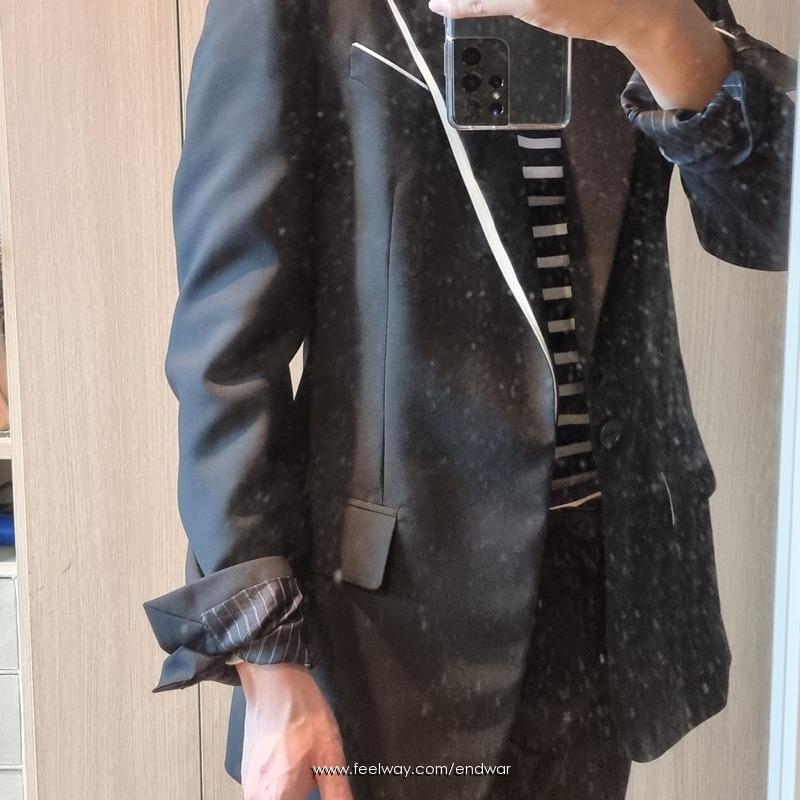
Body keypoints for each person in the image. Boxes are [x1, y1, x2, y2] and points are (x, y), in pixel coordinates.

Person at [142, 0, 797, 797]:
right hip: (390, 617)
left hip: (608, 587)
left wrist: (648, 24)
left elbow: (770, 218)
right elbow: (228, 342)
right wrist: (266, 656)